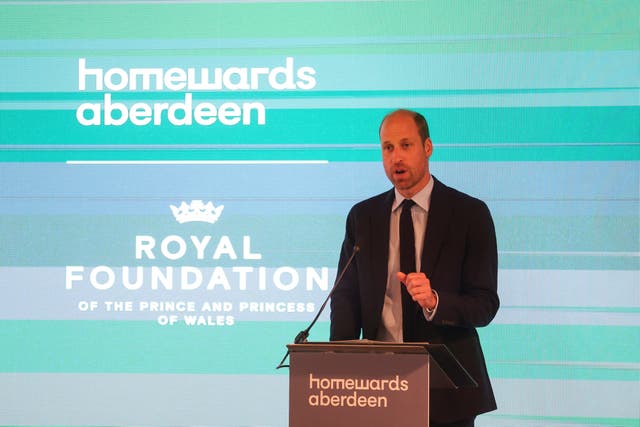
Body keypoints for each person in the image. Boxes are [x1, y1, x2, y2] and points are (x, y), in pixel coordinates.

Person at [329, 109, 499, 427]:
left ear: (428, 147)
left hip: (447, 391)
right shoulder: (362, 217)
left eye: (406, 145)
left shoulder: (469, 214)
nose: (396, 157)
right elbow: (346, 298)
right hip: (376, 388)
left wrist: (436, 301)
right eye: (388, 147)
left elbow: (485, 304)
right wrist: (341, 372)